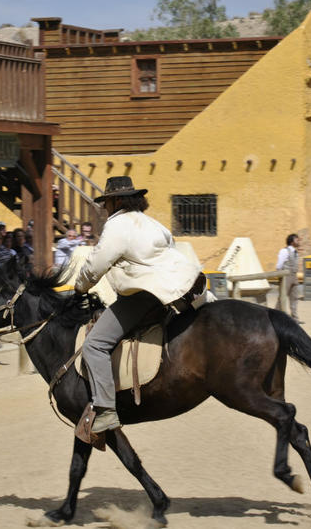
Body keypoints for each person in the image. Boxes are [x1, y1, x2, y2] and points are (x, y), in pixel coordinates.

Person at [75, 176, 202, 432]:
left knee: (94, 345)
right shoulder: (154, 224)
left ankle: (106, 410)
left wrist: (80, 286)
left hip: (142, 296)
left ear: (117, 200)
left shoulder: (117, 226)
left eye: (107, 202)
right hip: (174, 290)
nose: (105, 208)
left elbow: (97, 264)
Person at [275, 233, 302, 323]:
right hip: (286, 276)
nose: (298, 241)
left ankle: (294, 318)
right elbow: (279, 265)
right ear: (291, 241)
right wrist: (280, 275)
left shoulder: (295, 252)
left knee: (294, 297)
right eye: (297, 240)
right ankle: (276, 316)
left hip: (294, 276)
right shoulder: (284, 251)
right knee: (282, 297)